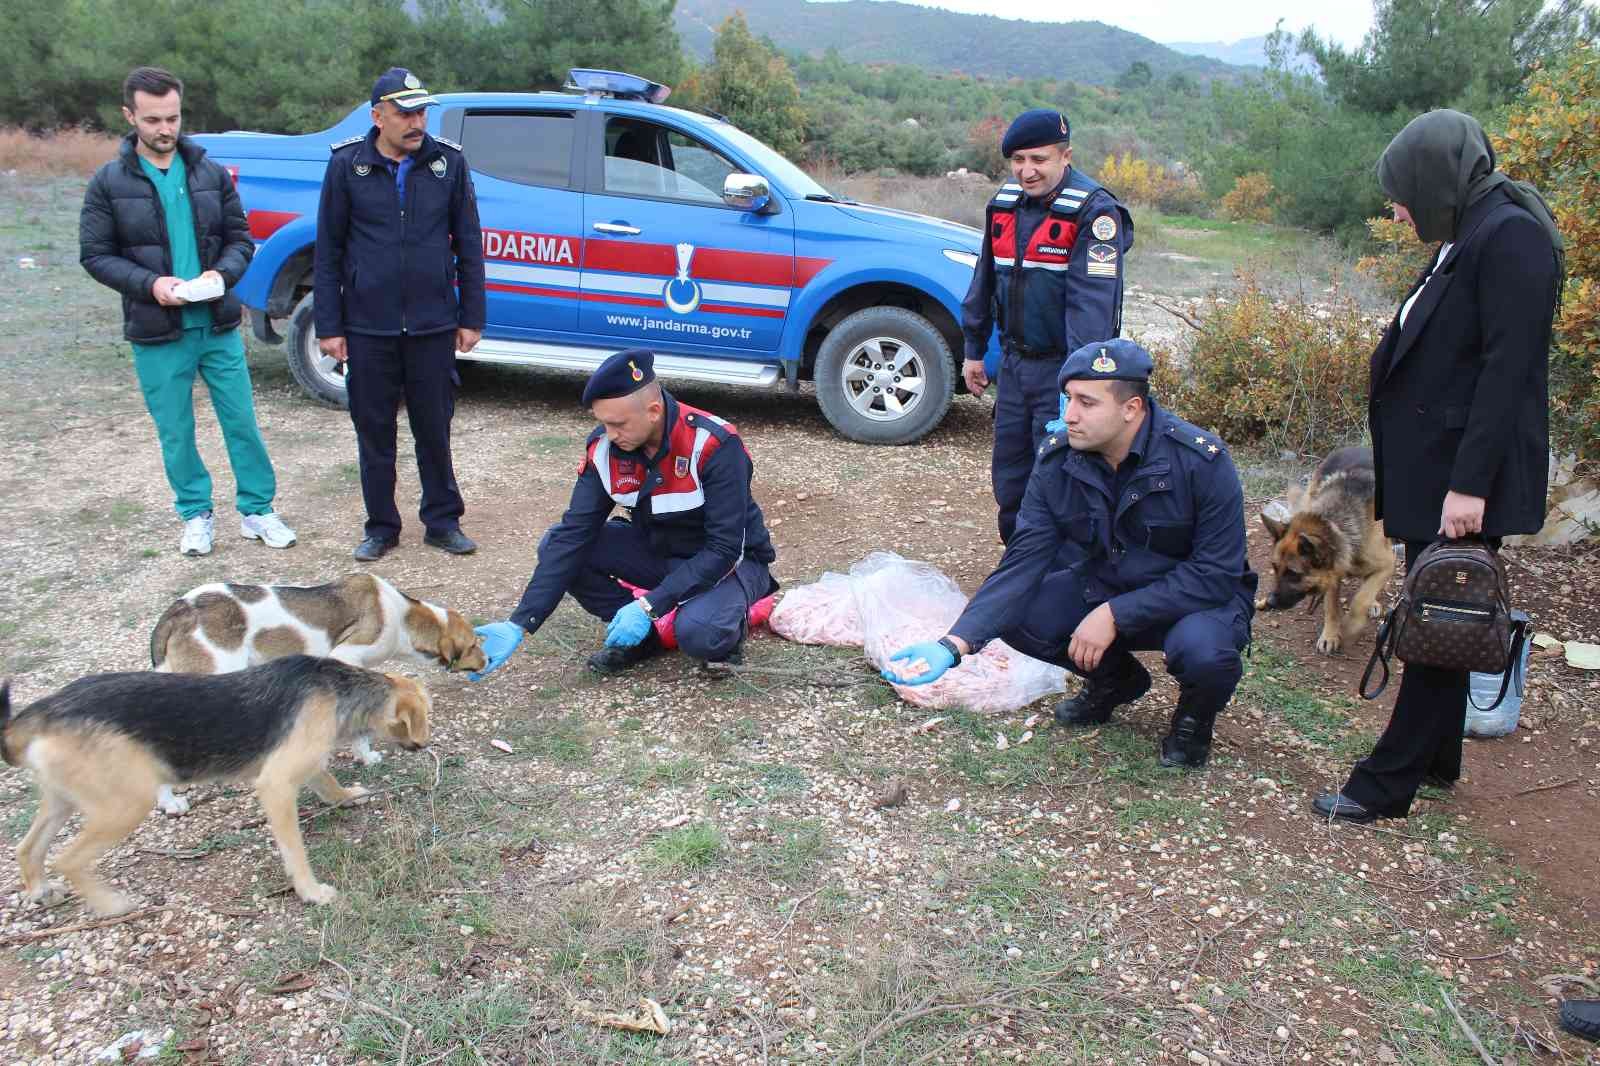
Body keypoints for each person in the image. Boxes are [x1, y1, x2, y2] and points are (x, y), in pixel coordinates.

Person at [1314, 109, 1561, 823]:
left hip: (1462, 476)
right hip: (1438, 468)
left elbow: (1507, 372)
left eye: (1402, 195)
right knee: (1445, 611)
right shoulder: (1471, 227)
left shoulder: (1510, 235)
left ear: (1435, 178)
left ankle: (1384, 784)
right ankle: (1437, 759)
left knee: (1438, 618)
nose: (1397, 211)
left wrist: (1469, 486)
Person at [882, 339, 1255, 768]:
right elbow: (1024, 561)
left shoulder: (1200, 461)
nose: (1069, 414)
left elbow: (1215, 574)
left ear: (1131, 408)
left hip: (1195, 600)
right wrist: (954, 644)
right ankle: (1115, 681)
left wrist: (1113, 614)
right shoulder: (1059, 459)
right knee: (1022, 614)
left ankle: (1193, 721)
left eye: (1086, 403)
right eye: (1068, 399)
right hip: (1112, 582)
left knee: (1205, 652)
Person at [80, 66, 295, 557]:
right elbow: (95, 255)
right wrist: (150, 284)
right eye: (153, 119)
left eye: (173, 118)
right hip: (157, 331)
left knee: (242, 422)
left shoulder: (209, 173)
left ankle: (258, 510)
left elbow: (241, 239)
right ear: (129, 116)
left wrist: (222, 275)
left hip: (216, 325)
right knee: (175, 430)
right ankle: (196, 514)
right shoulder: (108, 182)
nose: (165, 129)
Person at [469, 349, 779, 678]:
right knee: (557, 546)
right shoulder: (606, 448)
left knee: (700, 633)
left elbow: (725, 548)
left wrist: (649, 605)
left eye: (618, 424)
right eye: (604, 423)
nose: (610, 434)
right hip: (660, 551)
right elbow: (574, 534)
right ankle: (643, 641)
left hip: (732, 563)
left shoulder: (713, 444)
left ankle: (727, 630)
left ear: (654, 411)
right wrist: (519, 622)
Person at [313, 67, 485, 562]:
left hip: (432, 324)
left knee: (434, 429)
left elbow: (468, 244)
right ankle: (381, 527)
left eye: (421, 112)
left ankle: (442, 522)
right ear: (378, 116)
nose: (417, 122)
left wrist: (471, 316)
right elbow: (329, 250)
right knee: (374, 433)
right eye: (405, 113)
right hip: (368, 325)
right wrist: (330, 326)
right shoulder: (347, 165)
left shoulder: (447, 164)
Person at [961, 108, 1134, 543]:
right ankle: (1019, 559)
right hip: (1015, 367)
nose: (1027, 171)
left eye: (1039, 159)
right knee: (1010, 476)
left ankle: (1064, 568)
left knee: (1062, 476)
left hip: (1062, 370)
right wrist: (973, 351)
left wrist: (1078, 384)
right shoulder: (1004, 205)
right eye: (1018, 160)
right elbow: (984, 280)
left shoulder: (1095, 213)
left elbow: (1091, 309)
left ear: (1065, 156)